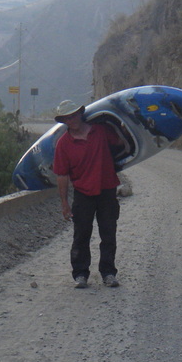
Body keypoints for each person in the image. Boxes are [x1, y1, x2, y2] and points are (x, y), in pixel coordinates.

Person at [51, 99, 125, 288]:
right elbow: (62, 175)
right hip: (83, 194)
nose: (72, 119)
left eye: (74, 114)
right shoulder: (63, 144)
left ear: (81, 114)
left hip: (107, 189)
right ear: (64, 121)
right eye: (68, 117)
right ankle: (80, 274)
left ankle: (108, 273)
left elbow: (120, 140)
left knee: (108, 234)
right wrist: (64, 203)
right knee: (81, 235)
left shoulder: (100, 131)